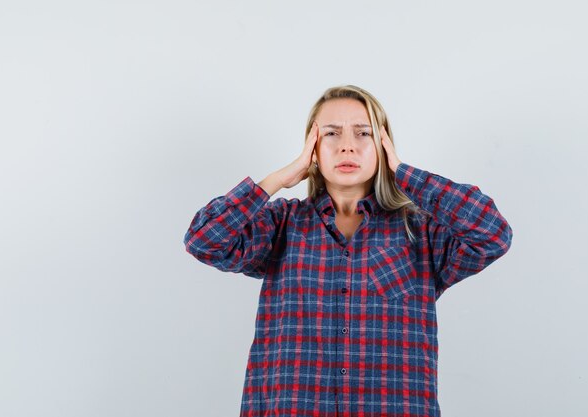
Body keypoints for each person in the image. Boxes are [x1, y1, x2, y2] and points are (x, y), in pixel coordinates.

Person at [183, 85, 513, 417]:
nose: (346, 146)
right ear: (312, 145)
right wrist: (278, 179)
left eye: (363, 133)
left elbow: (493, 234)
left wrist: (404, 173)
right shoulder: (280, 223)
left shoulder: (421, 231)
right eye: (331, 133)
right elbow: (204, 239)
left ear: (383, 145)